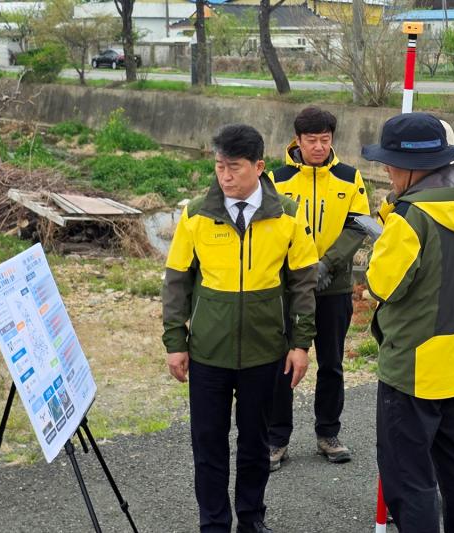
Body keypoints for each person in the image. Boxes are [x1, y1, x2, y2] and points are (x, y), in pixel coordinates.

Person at [162, 124, 319, 533]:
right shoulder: (196, 214)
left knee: (255, 446)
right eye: (219, 166)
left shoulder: (286, 214)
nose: (225, 176)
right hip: (208, 353)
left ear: (259, 166)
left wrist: (300, 344)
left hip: (265, 353)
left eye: (234, 167)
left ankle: (251, 520)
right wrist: (175, 341)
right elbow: (176, 280)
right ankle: (213, 524)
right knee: (208, 446)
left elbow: (303, 283)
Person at [362, 112, 454, 533]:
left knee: (410, 478)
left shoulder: (409, 217)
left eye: (389, 163)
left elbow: (382, 284)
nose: (385, 170)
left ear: (410, 167)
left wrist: (387, 222)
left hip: (413, 368)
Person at [267, 106, 370, 471]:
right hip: (288, 287)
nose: (319, 147)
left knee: (332, 363)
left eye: (325, 140)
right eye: (311, 141)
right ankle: (276, 438)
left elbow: (359, 225)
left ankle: (328, 433)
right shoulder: (277, 179)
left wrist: (328, 264)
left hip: (334, 285)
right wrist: (300, 271)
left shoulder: (349, 177)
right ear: (297, 140)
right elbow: (269, 228)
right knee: (284, 361)